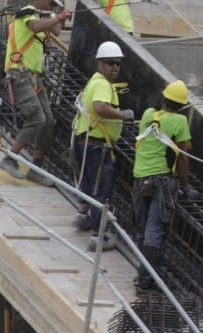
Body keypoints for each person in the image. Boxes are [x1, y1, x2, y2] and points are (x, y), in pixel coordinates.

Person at [130, 80, 196, 291]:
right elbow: (183, 157)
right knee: (154, 230)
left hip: (140, 178)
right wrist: (185, 187)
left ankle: (142, 272)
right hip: (162, 181)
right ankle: (146, 280)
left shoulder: (149, 114)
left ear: (163, 99)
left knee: (142, 229)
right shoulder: (180, 122)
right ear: (182, 105)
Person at [0, 0, 73, 186]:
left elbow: (56, 31)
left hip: (33, 78)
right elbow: (35, 26)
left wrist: (57, 15)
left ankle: (36, 169)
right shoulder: (27, 12)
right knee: (36, 118)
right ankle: (9, 158)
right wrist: (58, 15)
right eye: (50, 3)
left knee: (48, 121)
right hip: (19, 74)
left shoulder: (42, 16)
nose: (51, 6)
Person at [71, 42, 133, 239]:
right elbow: (99, 107)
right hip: (97, 145)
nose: (115, 67)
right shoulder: (102, 84)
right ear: (100, 64)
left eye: (118, 63)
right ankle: (96, 236)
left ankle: (82, 216)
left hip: (86, 142)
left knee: (88, 183)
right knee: (100, 188)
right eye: (110, 62)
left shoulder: (95, 81)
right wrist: (123, 115)